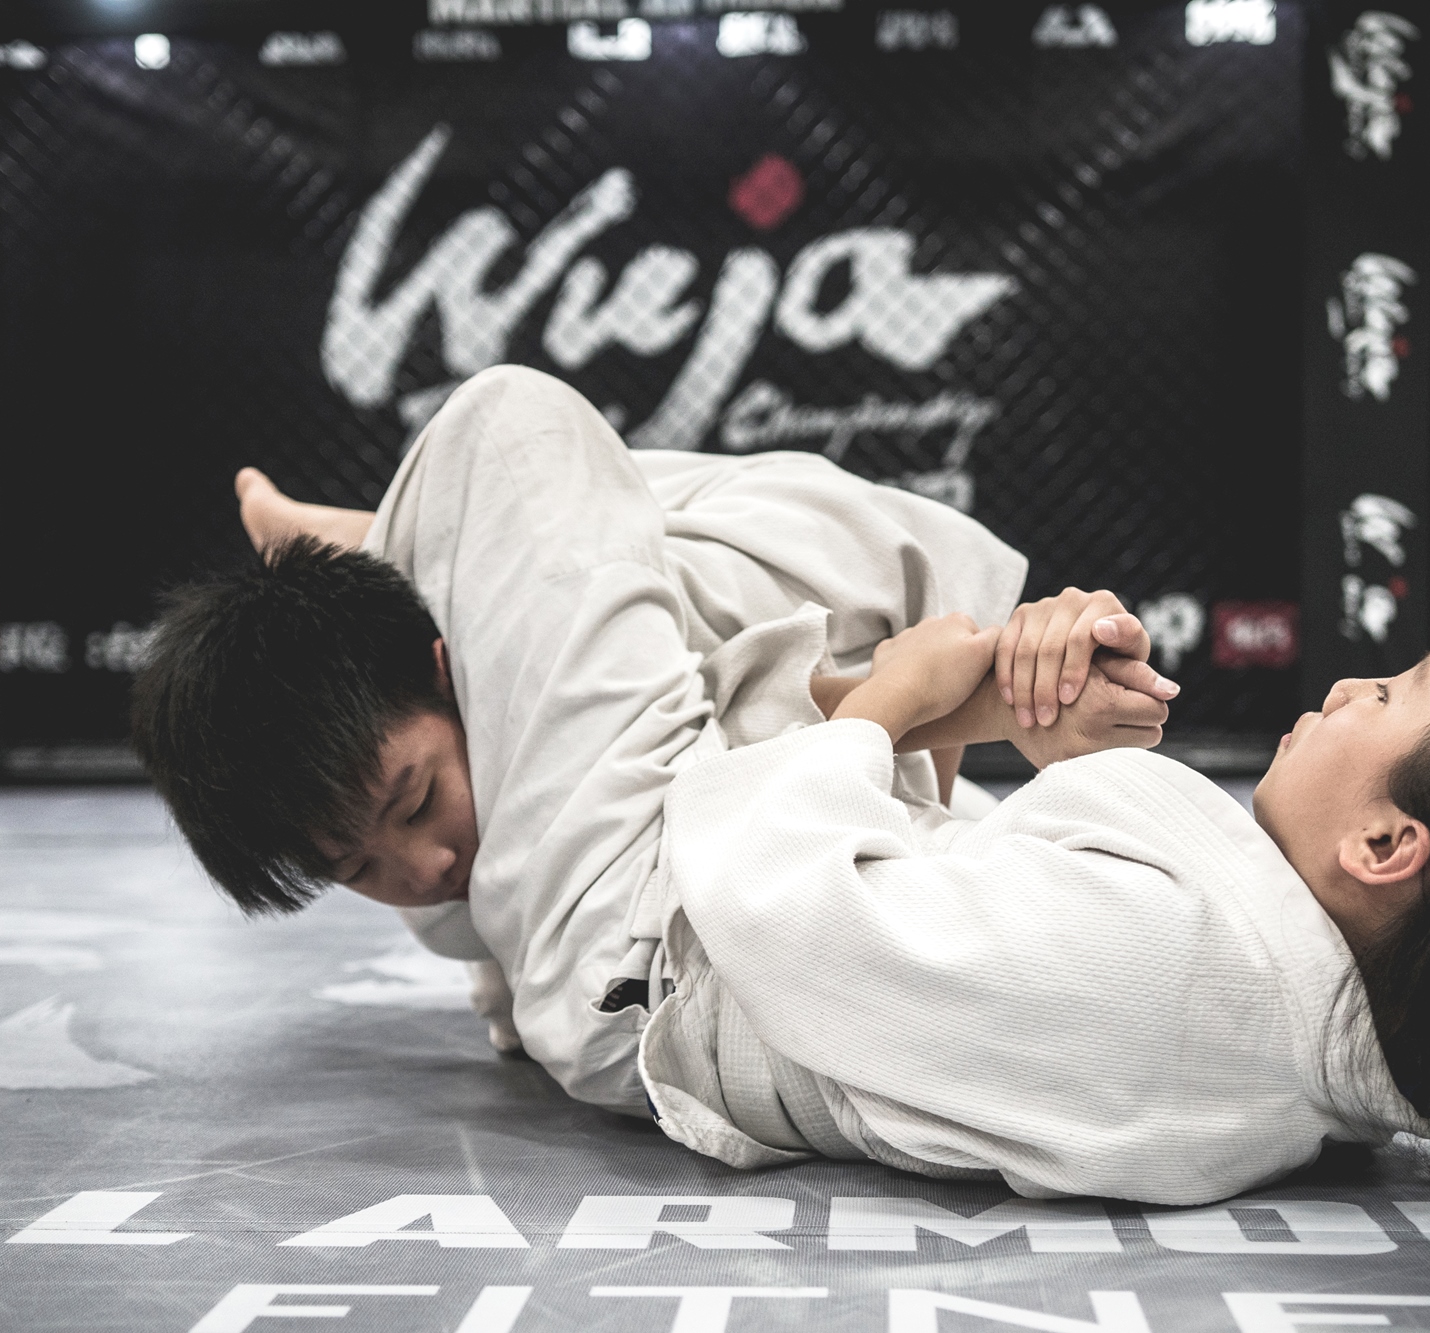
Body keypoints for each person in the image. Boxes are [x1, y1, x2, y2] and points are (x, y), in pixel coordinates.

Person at [132, 365, 1176, 1105]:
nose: (424, 865)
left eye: (416, 800)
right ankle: (388, 547)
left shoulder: (671, 633)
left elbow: (801, 692)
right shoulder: (452, 880)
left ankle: (385, 547)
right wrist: (968, 708)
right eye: (354, 868)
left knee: (579, 493)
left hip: (754, 631)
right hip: (669, 831)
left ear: (456, 674)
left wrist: (968, 712)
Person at [644, 613, 1430, 1272]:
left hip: (654, 932)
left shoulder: (1159, 951)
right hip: (763, 924)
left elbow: (779, 908)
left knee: (546, 433)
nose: (1346, 684)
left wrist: (890, 707)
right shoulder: (1319, 1027)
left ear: (1383, 842)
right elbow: (987, 947)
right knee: (899, 554)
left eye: (1389, 694)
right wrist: (1023, 747)